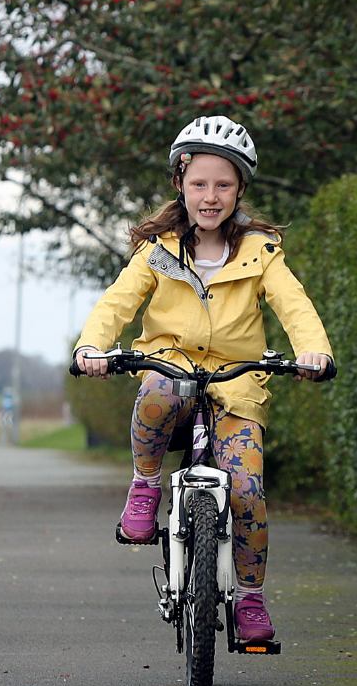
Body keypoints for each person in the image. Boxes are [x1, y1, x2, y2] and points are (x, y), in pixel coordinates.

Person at [72, 115, 333, 644]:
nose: (210, 197)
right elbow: (116, 303)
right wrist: (91, 347)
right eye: (199, 184)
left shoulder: (261, 252)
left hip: (237, 381)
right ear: (180, 183)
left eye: (223, 185)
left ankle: (250, 597)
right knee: (158, 392)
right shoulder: (158, 250)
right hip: (169, 364)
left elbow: (295, 305)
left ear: (240, 190)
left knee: (247, 488)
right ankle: (145, 483)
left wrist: (315, 352)